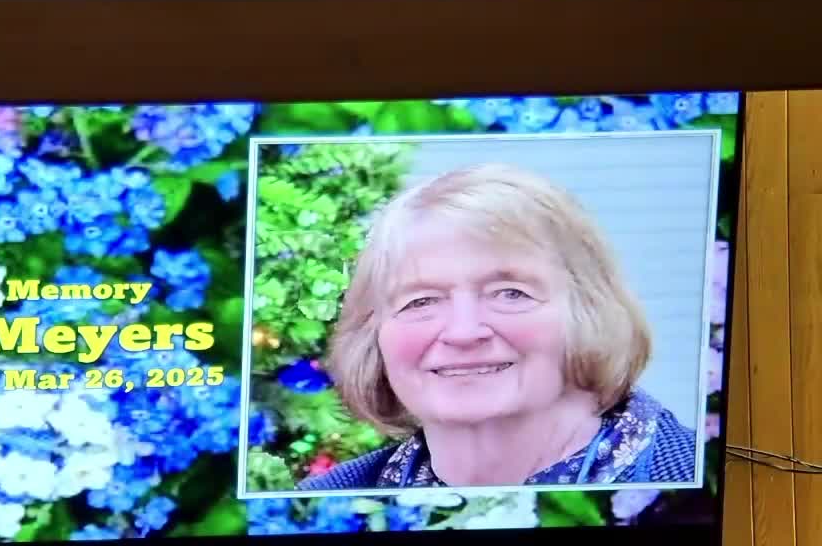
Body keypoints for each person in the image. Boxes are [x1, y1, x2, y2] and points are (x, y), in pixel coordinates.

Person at [298, 163, 697, 490]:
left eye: (510, 294)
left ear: (589, 311)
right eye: (421, 301)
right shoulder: (323, 504)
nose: (463, 332)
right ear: (373, 335)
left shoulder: (697, 484)